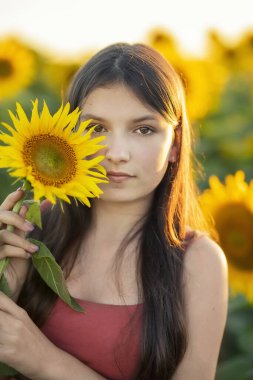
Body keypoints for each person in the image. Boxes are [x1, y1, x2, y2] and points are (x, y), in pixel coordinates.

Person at [0, 42, 228, 380]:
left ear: (175, 146)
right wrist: (7, 282)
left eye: (143, 129)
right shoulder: (31, 230)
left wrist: (44, 361)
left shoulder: (198, 262)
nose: (116, 153)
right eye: (96, 129)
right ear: (69, 135)